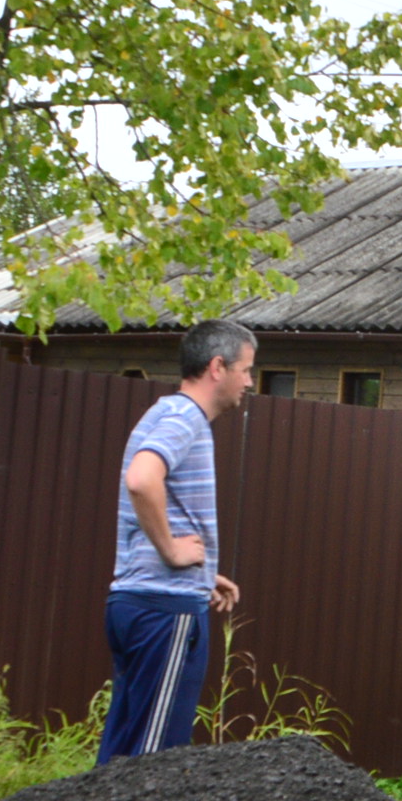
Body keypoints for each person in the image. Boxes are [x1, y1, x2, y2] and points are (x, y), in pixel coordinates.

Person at [96, 319, 256, 764]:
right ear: (217, 367)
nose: (250, 382)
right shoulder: (185, 417)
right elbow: (142, 479)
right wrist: (171, 552)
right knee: (154, 761)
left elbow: (161, 495)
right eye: (246, 369)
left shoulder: (164, 412)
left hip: (139, 601)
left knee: (124, 750)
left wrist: (204, 573)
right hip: (164, 609)